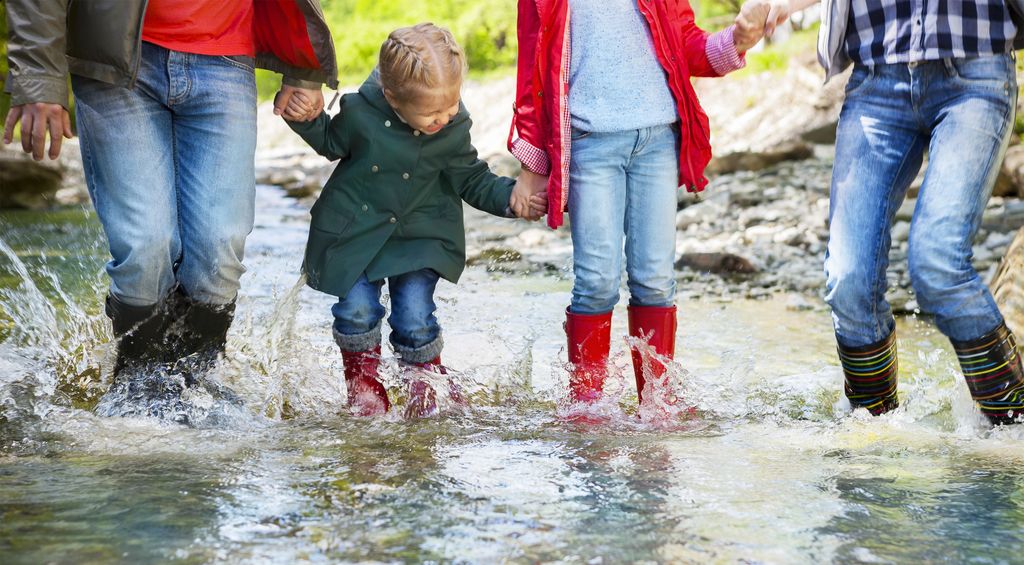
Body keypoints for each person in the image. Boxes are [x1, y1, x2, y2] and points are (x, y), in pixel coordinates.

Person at [2, 1, 337, 406]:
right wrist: (39, 74)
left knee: (219, 250)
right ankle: (135, 387)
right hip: (116, 61)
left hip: (225, 58)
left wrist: (302, 66)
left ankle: (199, 385)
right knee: (145, 247)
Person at [765, 0, 1024, 424]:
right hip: (876, 80)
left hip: (975, 73)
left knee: (938, 265)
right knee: (848, 282)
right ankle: (875, 434)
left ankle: (1013, 426)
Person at [508, 0, 769, 410]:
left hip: (657, 142)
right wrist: (531, 164)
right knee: (596, 280)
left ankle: (657, 403)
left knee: (655, 279)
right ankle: (586, 408)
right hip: (590, 142)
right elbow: (532, 70)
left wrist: (735, 41)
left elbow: (685, 43)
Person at [284, 23, 546, 417]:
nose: (444, 117)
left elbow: (471, 178)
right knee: (356, 312)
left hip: (422, 237)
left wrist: (511, 198)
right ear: (392, 98)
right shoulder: (359, 112)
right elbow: (329, 143)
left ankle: (425, 387)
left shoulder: (453, 128)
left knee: (415, 317)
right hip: (357, 233)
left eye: (451, 106)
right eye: (431, 113)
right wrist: (306, 117)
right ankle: (364, 388)